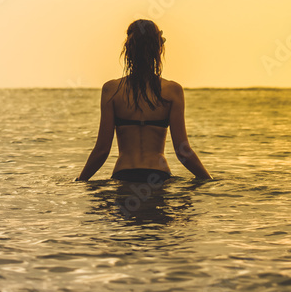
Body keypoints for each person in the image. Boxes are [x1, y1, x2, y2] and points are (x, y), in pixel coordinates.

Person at [76, 19, 212, 182]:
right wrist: (208, 179)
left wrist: (80, 181)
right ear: (158, 49)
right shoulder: (172, 90)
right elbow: (183, 151)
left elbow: (102, 150)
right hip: (158, 176)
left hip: (123, 176)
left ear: (128, 49)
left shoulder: (111, 90)